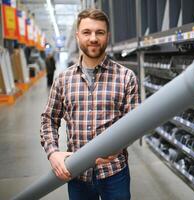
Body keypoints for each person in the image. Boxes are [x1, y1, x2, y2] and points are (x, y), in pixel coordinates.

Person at [40, 8, 139, 200]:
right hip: (77, 175)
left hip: (114, 173)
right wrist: (53, 153)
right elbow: (48, 119)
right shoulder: (63, 79)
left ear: (107, 36)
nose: (93, 38)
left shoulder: (126, 77)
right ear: (77, 35)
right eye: (87, 32)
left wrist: (118, 147)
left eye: (99, 32)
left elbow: (135, 124)